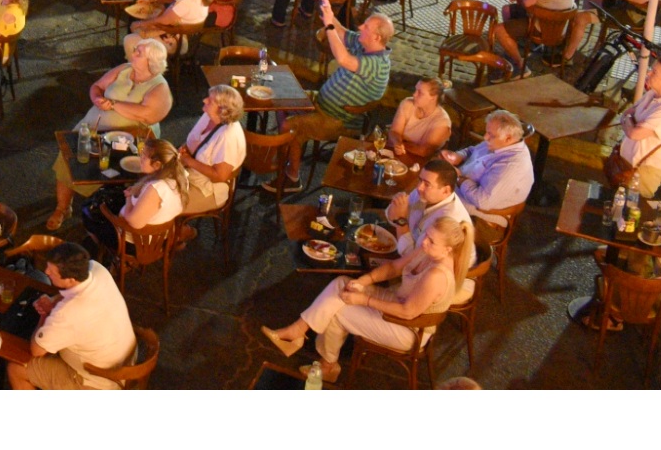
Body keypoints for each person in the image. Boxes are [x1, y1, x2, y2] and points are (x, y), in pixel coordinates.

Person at [259, 215, 471, 383]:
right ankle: (299, 330)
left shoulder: (437, 275)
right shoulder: (428, 250)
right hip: (398, 303)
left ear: (448, 249)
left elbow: (408, 312)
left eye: (431, 241)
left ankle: (328, 366)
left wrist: (364, 300)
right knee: (343, 283)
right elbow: (394, 267)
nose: (424, 241)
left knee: (339, 309)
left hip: (409, 329)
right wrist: (364, 281)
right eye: (426, 235)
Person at [47, 39, 174, 231]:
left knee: (108, 171)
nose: (133, 53)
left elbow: (147, 114)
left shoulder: (159, 88)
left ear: (151, 62)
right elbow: (96, 87)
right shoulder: (124, 69)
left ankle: (104, 211)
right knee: (68, 160)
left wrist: (114, 104)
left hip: (126, 141)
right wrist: (98, 98)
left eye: (139, 52)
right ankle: (62, 208)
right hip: (92, 127)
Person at [7, 242, 137, 390]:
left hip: (98, 381)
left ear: (70, 279)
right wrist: (53, 300)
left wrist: (45, 316)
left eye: (52, 271)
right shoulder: (96, 268)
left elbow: (37, 351)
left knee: (16, 369)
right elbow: (74, 293)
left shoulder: (67, 314)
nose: (46, 272)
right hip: (123, 360)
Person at [440, 110, 536, 223]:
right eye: (486, 132)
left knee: (433, 197)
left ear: (508, 138)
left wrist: (459, 178)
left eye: (491, 135)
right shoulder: (499, 142)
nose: (485, 137)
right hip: (464, 187)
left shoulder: (511, 166)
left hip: (484, 212)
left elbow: (482, 202)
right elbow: (473, 150)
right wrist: (458, 156)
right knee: (429, 176)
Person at [615, 52, 661, 197]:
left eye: (654, 73)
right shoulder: (652, 94)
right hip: (625, 163)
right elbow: (628, 112)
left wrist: (628, 121)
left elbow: (634, 134)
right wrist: (630, 120)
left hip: (643, 171)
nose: (648, 73)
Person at [178, 86, 247, 216]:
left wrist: (188, 161)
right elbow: (194, 140)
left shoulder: (228, 137)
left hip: (207, 190)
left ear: (222, 110)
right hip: (190, 174)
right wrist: (183, 150)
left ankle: (182, 231)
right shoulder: (209, 116)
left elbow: (220, 176)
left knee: (161, 204)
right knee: (152, 185)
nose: (204, 100)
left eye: (210, 101)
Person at [387, 78, 453, 163]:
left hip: (420, 162)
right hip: (397, 154)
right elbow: (395, 131)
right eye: (415, 90)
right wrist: (397, 142)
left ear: (433, 97)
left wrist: (400, 145)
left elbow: (423, 151)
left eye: (420, 93)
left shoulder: (442, 122)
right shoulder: (407, 103)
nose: (414, 94)